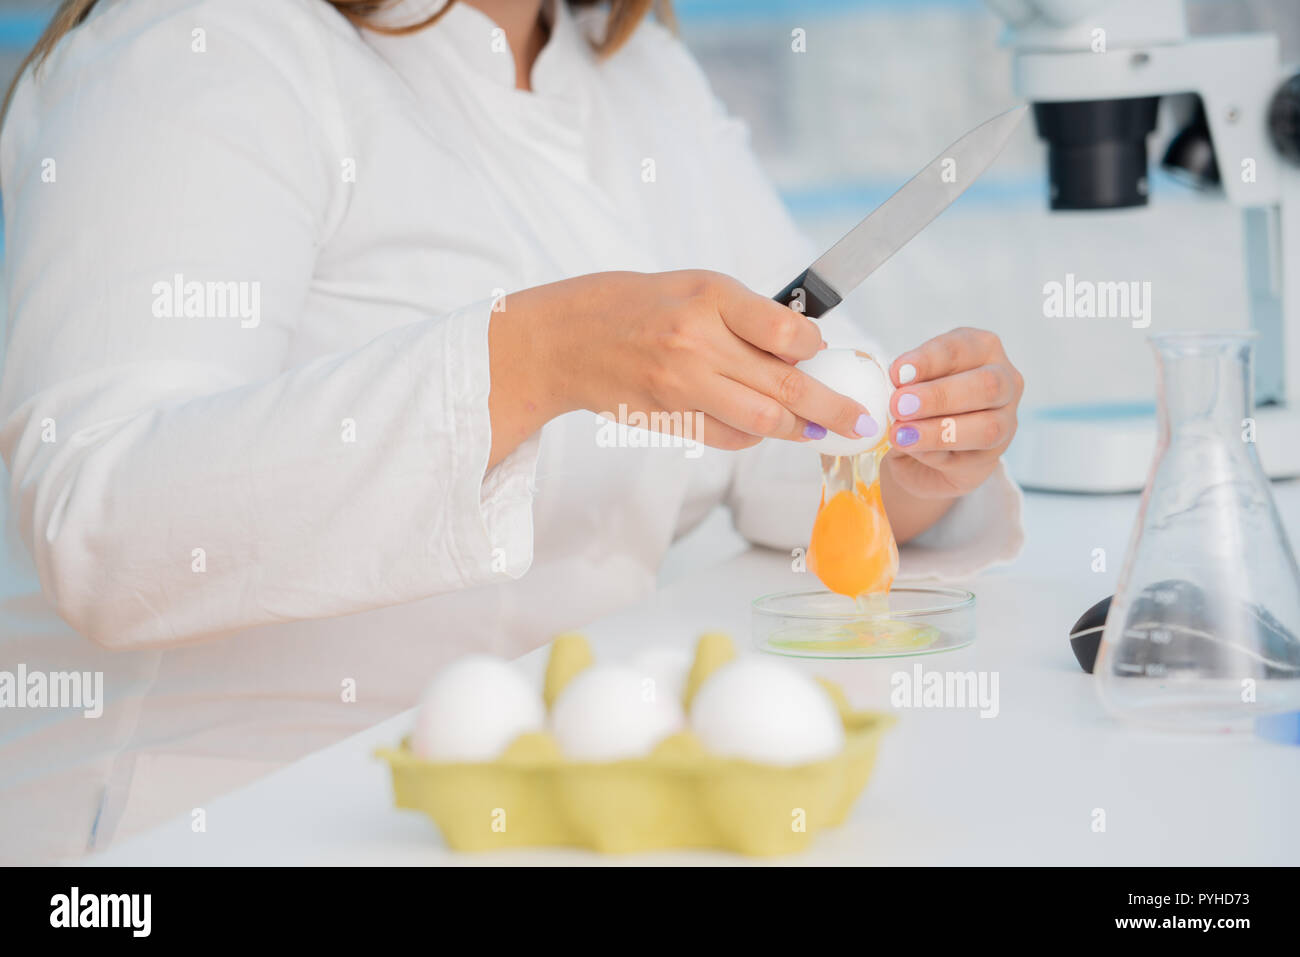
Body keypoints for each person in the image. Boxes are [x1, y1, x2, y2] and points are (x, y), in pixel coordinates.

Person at [0, 0, 1024, 861]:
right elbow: (108, 521)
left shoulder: (630, 73)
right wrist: (531, 360)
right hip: (213, 820)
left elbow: (770, 456)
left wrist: (911, 459)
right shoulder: (201, 45)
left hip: (541, 798)